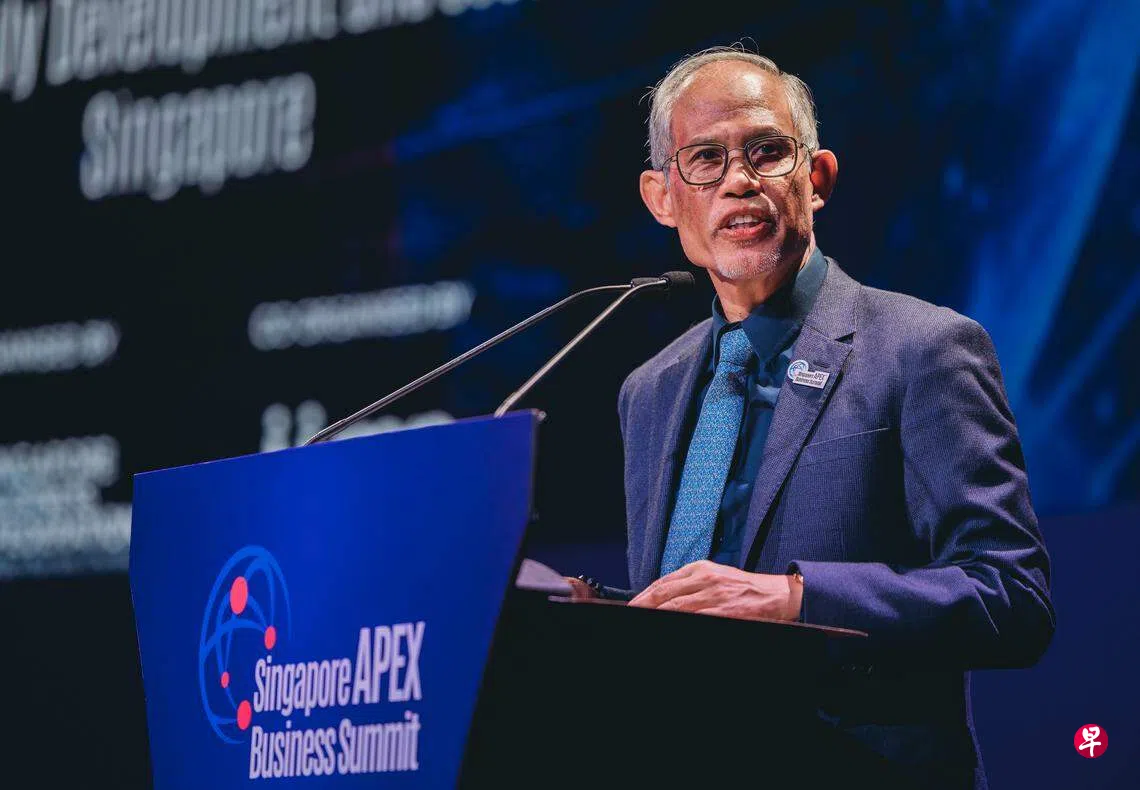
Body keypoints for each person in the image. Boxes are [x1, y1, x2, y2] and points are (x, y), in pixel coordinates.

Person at [571, 47, 1054, 788]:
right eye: (705, 158)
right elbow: (693, 621)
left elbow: (1012, 599)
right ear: (662, 197)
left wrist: (796, 599)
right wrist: (596, 614)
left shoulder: (922, 349)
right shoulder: (650, 390)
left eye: (767, 152)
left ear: (816, 177)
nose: (739, 180)